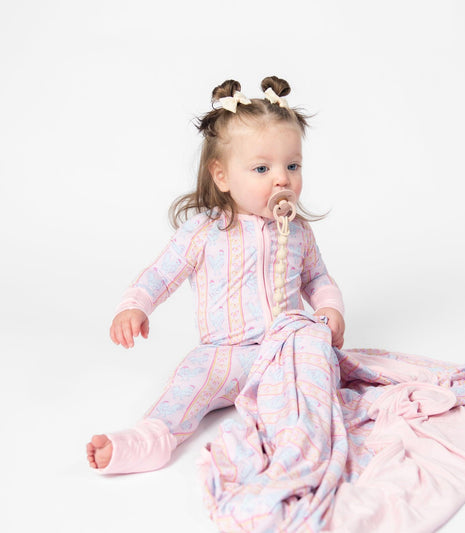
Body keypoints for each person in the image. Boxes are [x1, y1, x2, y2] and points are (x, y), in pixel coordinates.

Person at [86, 76, 346, 474]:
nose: (282, 179)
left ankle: (301, 445)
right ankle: (150, 439)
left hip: (283, 351)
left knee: (319, 365)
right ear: (221, 176)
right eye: (262, 168)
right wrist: (134, 306)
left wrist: (330, 310)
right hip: (223, 355)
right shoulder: (204, 231)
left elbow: (317, 280)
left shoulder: (297, 231)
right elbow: (160, 274)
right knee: (187, 385)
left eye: (292, 165)